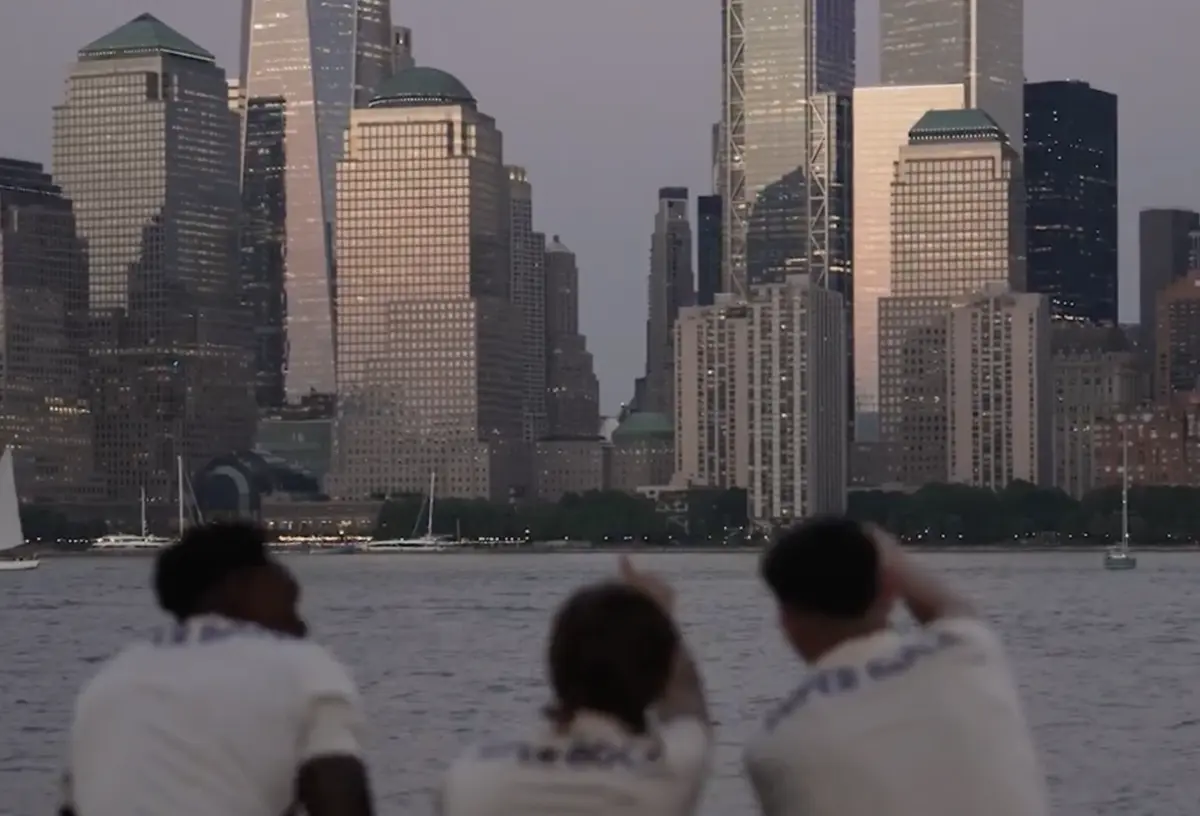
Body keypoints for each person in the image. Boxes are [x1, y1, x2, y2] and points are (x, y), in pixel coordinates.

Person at [57, 521, 374, 816]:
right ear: (241, 585)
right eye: (292, 605)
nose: (302, 623)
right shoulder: (301, 667)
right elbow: (341, 801)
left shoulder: (108, 683)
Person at [744, 517, 1049, 816]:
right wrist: (884, 547)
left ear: (785, 620)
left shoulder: (776, 744)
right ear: (890, 589)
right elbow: (949, 607)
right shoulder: (966, 652)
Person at [440, 555, 712, 815]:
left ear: (554, 665)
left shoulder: (469, 775)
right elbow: (687, 703)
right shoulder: (666, 774)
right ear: (659, 679)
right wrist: (659, 616)